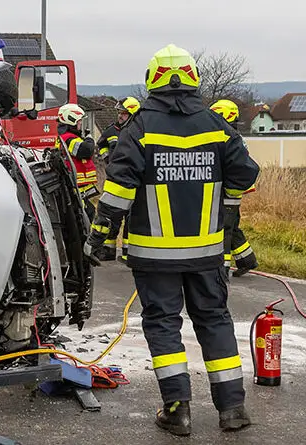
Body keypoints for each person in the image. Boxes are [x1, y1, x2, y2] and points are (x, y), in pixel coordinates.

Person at [83, 44, 259, 436]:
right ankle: (233, 409)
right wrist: (227, 207)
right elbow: (246, 172)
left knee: (163, 325)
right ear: (193, 79)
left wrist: (99, 236)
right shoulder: (216, 125)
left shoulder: (139, 128)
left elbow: (118, 189)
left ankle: (178, 411)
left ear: (152, 81)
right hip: (208, 253)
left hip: (154, 256)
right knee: (214, 320)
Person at [210, 99, 259, 277]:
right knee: (232, 226)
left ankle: (222, 268)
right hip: (235, 190)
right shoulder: (235, 138)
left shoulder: (227, 139)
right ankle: (247, 260)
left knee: (223, 229)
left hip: (228, 191)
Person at [96, 97, 141, 262]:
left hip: (132, 181)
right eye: (119, 112)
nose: (120, 116)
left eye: (124, 113)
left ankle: (128, 253)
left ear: (132, 114)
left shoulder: (139, 131)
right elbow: (101, 144)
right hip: (114, 180)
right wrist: (107, 159)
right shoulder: (111, 130)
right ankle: (108, 250)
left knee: (131, 218)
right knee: (112, 217)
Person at [55, 103, 98, 220]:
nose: (80, 124)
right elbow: (86, 150)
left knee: (88, 212)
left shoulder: (66, 137)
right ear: (72, 121)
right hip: (75, 187)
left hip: (78, 187)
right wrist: (89, 139)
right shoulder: (68, 138)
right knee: (85, 215)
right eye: (79, 121)